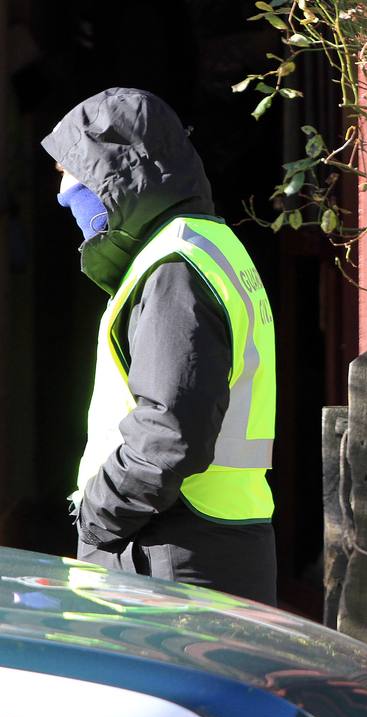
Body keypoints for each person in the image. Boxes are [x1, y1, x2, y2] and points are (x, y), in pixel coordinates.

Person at [43, 88, 278, 604]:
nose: (60, 193)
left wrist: (97, 518)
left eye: (68, 172)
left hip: (169, 555)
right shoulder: (204, 246)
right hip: (206, 543)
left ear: (111, 175)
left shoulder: (173, 267)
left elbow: (171, 434)